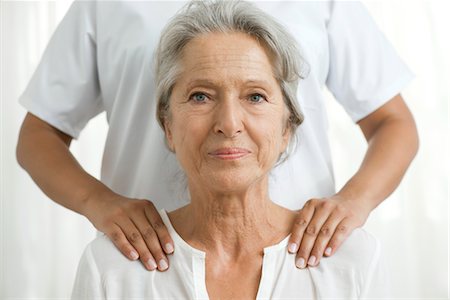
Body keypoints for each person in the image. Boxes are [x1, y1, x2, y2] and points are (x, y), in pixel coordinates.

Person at [16, 0, 419, 273]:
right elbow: (40, 133)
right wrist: (98, 202)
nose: (229, 123)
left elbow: (393, 122)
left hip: (299, 259)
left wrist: (355, 201)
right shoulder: (103, 5)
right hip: (148, 261)